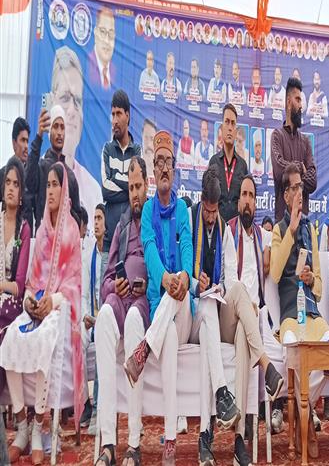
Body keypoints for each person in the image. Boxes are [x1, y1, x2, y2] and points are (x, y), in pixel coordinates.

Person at [0, 163, 83, 464]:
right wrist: (28, 303)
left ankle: (38, 427)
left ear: (65, 189)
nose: (50, 191)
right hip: (36, 306)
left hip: (60, 310)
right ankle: (21, 427)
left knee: (46, 338)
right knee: (11, 337)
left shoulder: (72, 231)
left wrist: (53, 301)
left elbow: (74, 285)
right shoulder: (41, 231)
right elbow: (32, 282)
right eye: (47, 185)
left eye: (55, 185)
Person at [123, 132, 195, 465]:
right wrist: (166, 278)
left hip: (183, 309)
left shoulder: (182, 209)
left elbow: (187, 247)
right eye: (159, 162)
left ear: (175, 169)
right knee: (166, 332)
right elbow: (149, 248)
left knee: (176, 301)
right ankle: (170, 441)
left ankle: (143, 349)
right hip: (161, 308)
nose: (164, 168)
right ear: (154, 170)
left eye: (169, 162)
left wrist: (183, 278)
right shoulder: (149, 209)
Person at [270, 162, 329, 459]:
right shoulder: (279, 230)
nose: (299, 193)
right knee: (293, 354)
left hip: (313, 314)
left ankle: (302, 414)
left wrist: (311, 280)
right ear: (285, 195)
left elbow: (319, 287)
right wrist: (292, 230)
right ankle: (306, 424)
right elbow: (275, 272)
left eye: (301, 188)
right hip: (290, 316)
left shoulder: (312, 229)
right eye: (294, 188)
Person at [220, 175, 284, 466]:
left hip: (249, 322)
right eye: (243, 195)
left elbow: (280, 246)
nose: (247, 200)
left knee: (245, 340)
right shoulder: (229, 231)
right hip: (230, 312)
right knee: (238, 292)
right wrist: (249, 304)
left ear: (256, 203)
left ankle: (239, 442)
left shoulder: (261, 236)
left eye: (251, 196)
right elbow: (229, 281)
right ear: (238, 202)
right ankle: (266, 365)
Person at [94, 157, 151, 466]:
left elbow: (163, 268)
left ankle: (133, 443)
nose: (134, 194)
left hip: (143, 303)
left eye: (138, 186)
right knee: (104, 318)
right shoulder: (121, 226)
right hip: (121, 298)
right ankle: (108, 443)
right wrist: (114, 286)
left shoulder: (154, 221)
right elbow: (105, 282)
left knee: (131, 322)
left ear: (147, 186)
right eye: (130, 188)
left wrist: (147, 285)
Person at [187, 167, 241, 464]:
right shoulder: (189, 219)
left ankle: (204, 436)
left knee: (210, 309)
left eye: (213, 211)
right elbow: (181, 267)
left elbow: (231, 278)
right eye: (206, 211)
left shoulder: (225, 231)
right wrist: (198, 284)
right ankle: (222, 392)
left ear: (219, 206)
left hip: (212, 315)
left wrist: (220, 287)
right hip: (190, 315)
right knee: (205, 306)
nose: (209, 217)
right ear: (201, 202)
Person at [48, 46, 103, 241]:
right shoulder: (39, 174)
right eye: (65, 98)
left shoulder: (93, 191)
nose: (72, 110)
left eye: (78, 101)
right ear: (52, 102)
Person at [0, 158, 30, 397]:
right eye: (8, 182)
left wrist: (1, 286)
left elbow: (19, 285)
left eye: (16, 184)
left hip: (11, 303)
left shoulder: (24, 229)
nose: (11, 188)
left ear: (21, 194)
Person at [26, 105, 80, 231]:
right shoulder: (41, 166)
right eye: (55, 126)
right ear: (50, 131)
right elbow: (28, 182)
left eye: (62, 127)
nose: (60, 133)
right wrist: (39, 136)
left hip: (65, 239)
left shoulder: (70, 175)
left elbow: (77, 213)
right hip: (43, 237)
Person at [271, 77, 317, 221]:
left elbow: (313, 182)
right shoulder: (277, 136)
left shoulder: (305, 142)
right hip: (282, 224)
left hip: (303, 223)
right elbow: (279, 172)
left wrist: (291, 175)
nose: (301, 105)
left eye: (301, 101)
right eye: (297, 100)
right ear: (288, 102)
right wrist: (301, 168)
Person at [101, 90, 142, 251]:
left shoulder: (137, 150)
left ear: (128, 115)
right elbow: (105, 189)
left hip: (131, 243)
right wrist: (129, 188)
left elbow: (138, 191)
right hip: (109, 242)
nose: (115, 120)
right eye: (113, 115)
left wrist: (115, 178)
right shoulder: (107, 149)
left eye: (119, 114)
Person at [80, 203, 107, 433]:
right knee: (75, 342)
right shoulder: (88, 255)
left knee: (100, 341)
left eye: (100, 218)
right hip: (90, 318)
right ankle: (84, 404)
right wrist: (85, 317)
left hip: (106, 319)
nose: (96, 223)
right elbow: (84, 294)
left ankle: (98, 408)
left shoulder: (110, 254)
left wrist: (99, 320)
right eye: (94, 218)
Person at [207, 104, 248, 222]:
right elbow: (209, 198)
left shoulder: (243, 166)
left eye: (233, 123)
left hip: (237, 228)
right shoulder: (213, 162)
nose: (230, 127)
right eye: (227, 122)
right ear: (222, 128)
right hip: (217, 227)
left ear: (236, 131)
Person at [0, 117, 30, 202]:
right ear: (14, 143)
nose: (26, 146)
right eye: (23, 140)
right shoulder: (3, 174)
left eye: (27, 141)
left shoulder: (31, 174)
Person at [89, 6, 116, 90]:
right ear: (95, 33)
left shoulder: (116, 71)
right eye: (103, 32)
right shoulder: (86, 65)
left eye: (111, 33)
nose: (107, 40)